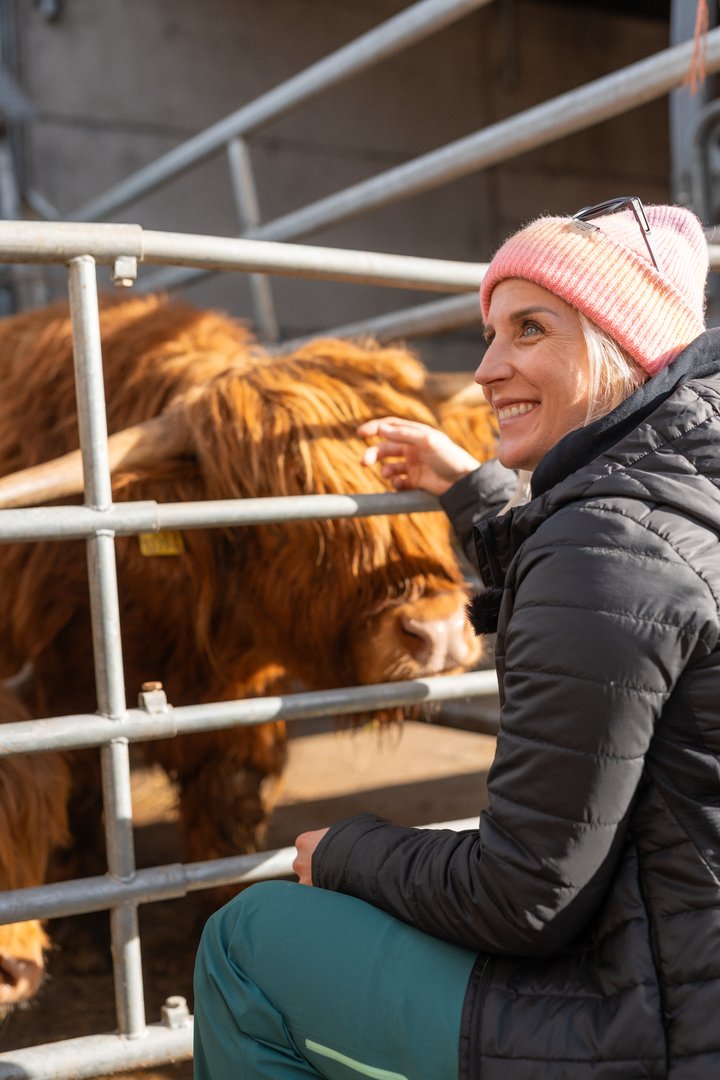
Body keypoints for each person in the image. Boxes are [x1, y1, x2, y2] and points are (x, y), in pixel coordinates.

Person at [192, 198, 720, 1080]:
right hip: (681, 962)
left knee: (249, 937)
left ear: (621, 341)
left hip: (650, 1029)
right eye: (490, 332)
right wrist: (477, 491)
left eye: (529, 328)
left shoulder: (606, 547)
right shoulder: (681, 496)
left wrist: (347, 849)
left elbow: (523, 898)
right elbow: (623, 592)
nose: (484, 369)